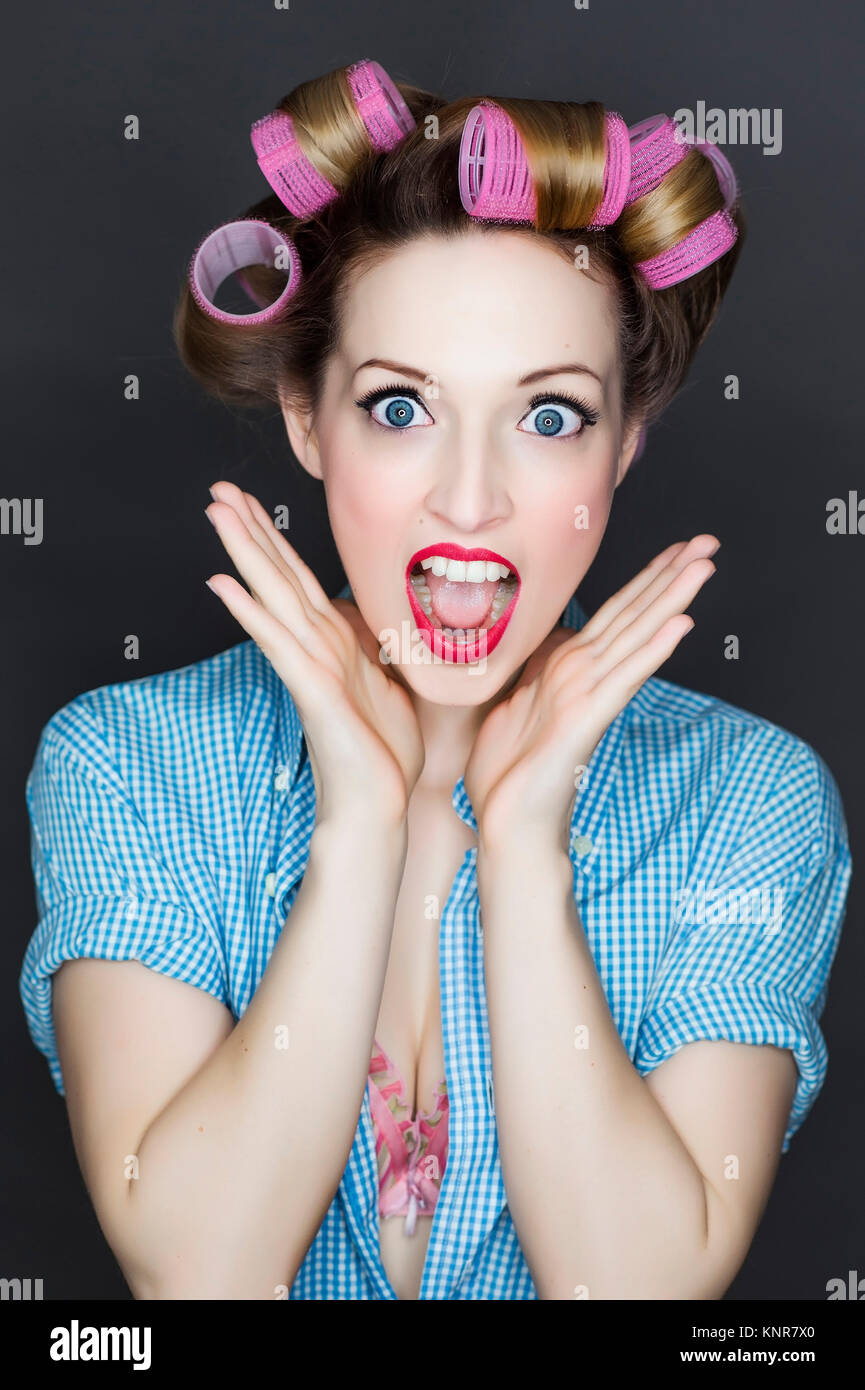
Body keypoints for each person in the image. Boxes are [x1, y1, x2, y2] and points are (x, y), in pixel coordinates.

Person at [19, 60, 851, 1301]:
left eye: (551, 416)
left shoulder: (745, 799)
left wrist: (522, 850)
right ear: (305, 415)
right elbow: (200, 1284)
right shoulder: (129, 765)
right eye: (400, 407)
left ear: (625, 440)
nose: (469, 501)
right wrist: (357, 821)